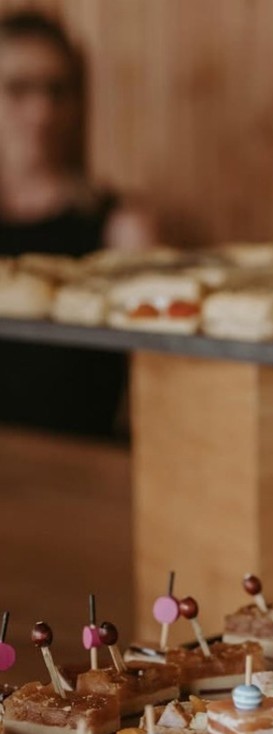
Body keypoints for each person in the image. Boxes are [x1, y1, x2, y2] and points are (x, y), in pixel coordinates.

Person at [0, 8, 156, 436]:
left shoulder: (121, 226)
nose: (41, 111)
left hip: (81, 456)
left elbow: (153, 379)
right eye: (18, 89)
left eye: (57, 91)